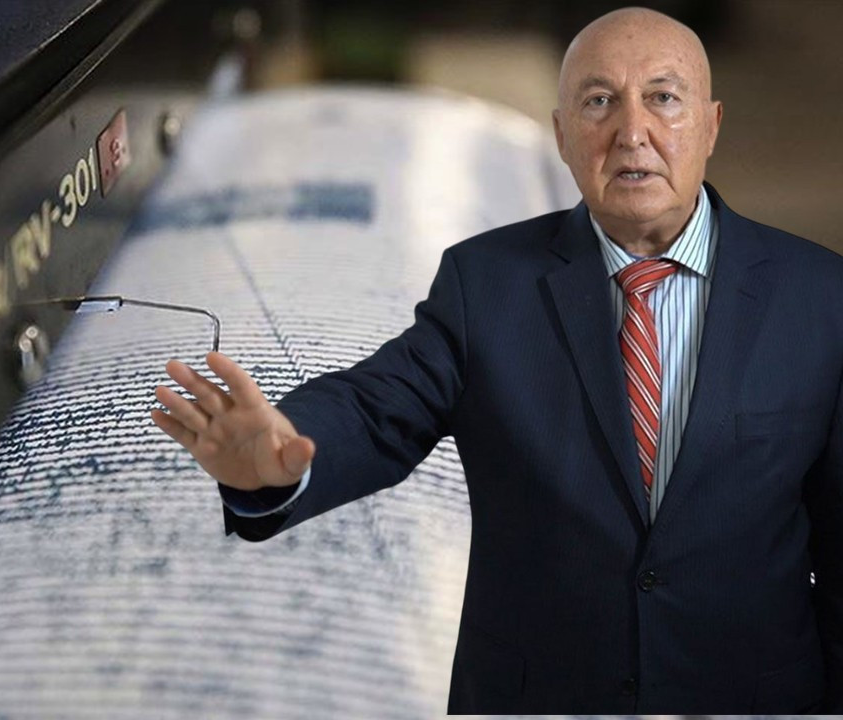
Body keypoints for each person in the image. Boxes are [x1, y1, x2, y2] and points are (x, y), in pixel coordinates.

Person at [150, 6, 842, 715]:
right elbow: (378, 406)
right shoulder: (486, 284)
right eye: (599, 102)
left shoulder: (821, 296)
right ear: (562, 136)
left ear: (712, 125)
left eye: (663, 98)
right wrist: (280, 457)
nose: (632, 131)